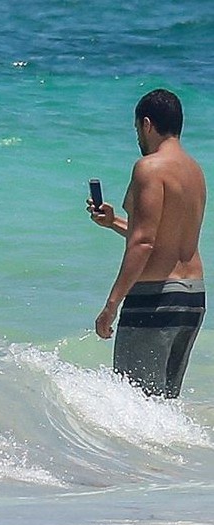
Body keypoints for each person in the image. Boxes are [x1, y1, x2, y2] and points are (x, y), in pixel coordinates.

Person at [88, 89, 206, 398]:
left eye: (137, 128)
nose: (138, 137)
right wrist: (113, 222)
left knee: (133, 403)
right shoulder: (195, 171)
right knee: (162, 405)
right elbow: (165, 234)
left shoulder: (149, 167)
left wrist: (111, 306)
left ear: (147, 124)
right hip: (191, 299)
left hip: (155, 298)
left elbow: (143, 242)